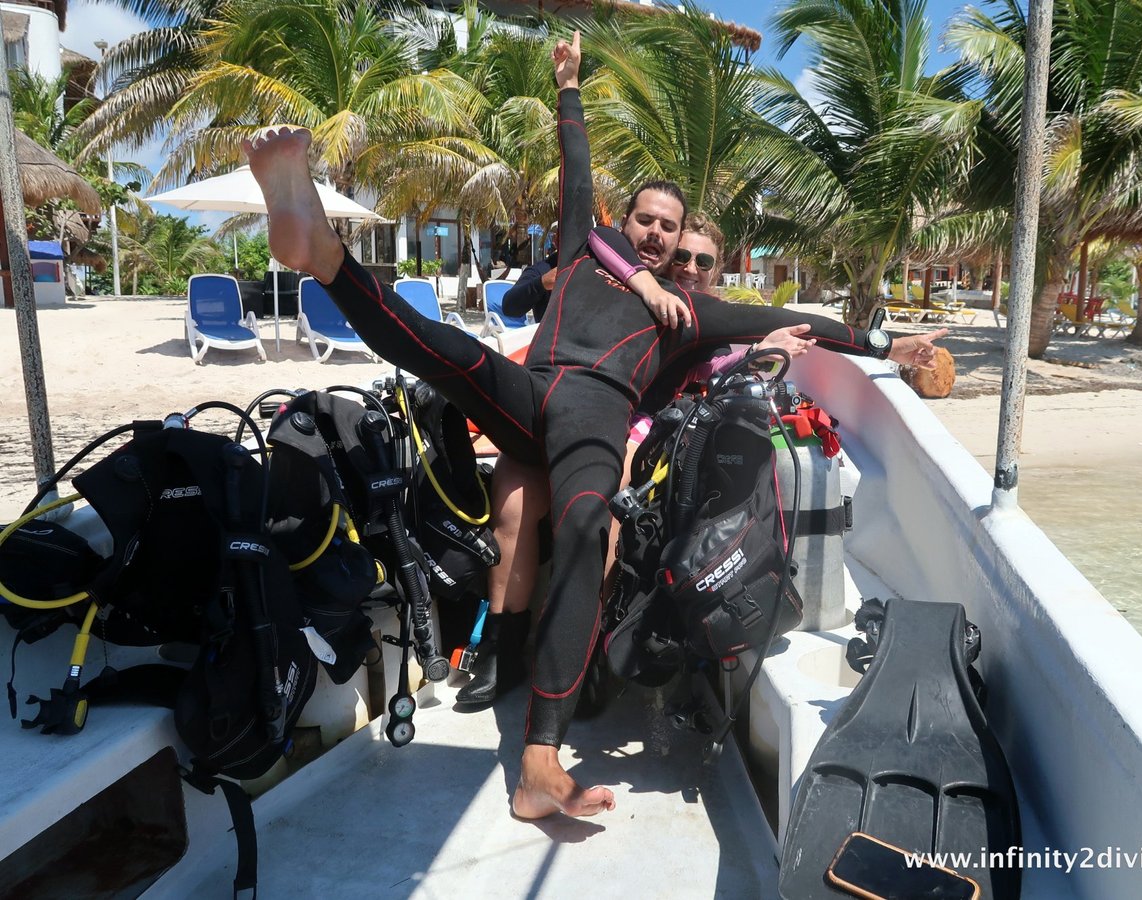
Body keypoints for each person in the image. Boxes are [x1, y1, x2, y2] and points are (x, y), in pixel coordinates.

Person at [243, 30, 943, 820]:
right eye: (644, 219)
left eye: (667, 227)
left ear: (682, 239)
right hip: (529, 393)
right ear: (627, 225)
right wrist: (568, 85)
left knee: (583, 527)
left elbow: (789, 315)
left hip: (594, 418)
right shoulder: (583, 249)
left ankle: (540, 763)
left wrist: (888, 342)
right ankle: (323, 254)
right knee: (441, 348)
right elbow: (577, 171)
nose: (653, 232)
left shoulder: (694, 315)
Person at [456, 211, 816, 708]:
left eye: (703, 260)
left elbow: (719, 363)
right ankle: (503, 648)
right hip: (570, 410)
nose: (690, 267)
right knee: (514, 491)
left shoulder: (708, 316)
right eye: (682, 255)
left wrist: (762, 348)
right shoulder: (634, 293)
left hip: (639, 428)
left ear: (718, 267)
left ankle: (581, 652)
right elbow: (586, 254)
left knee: (601, 500)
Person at [501, 224, 558, 323]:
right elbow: (509, 307)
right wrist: (542, 283)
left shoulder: (593, 266)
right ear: (555, 239)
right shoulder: (542, 270)